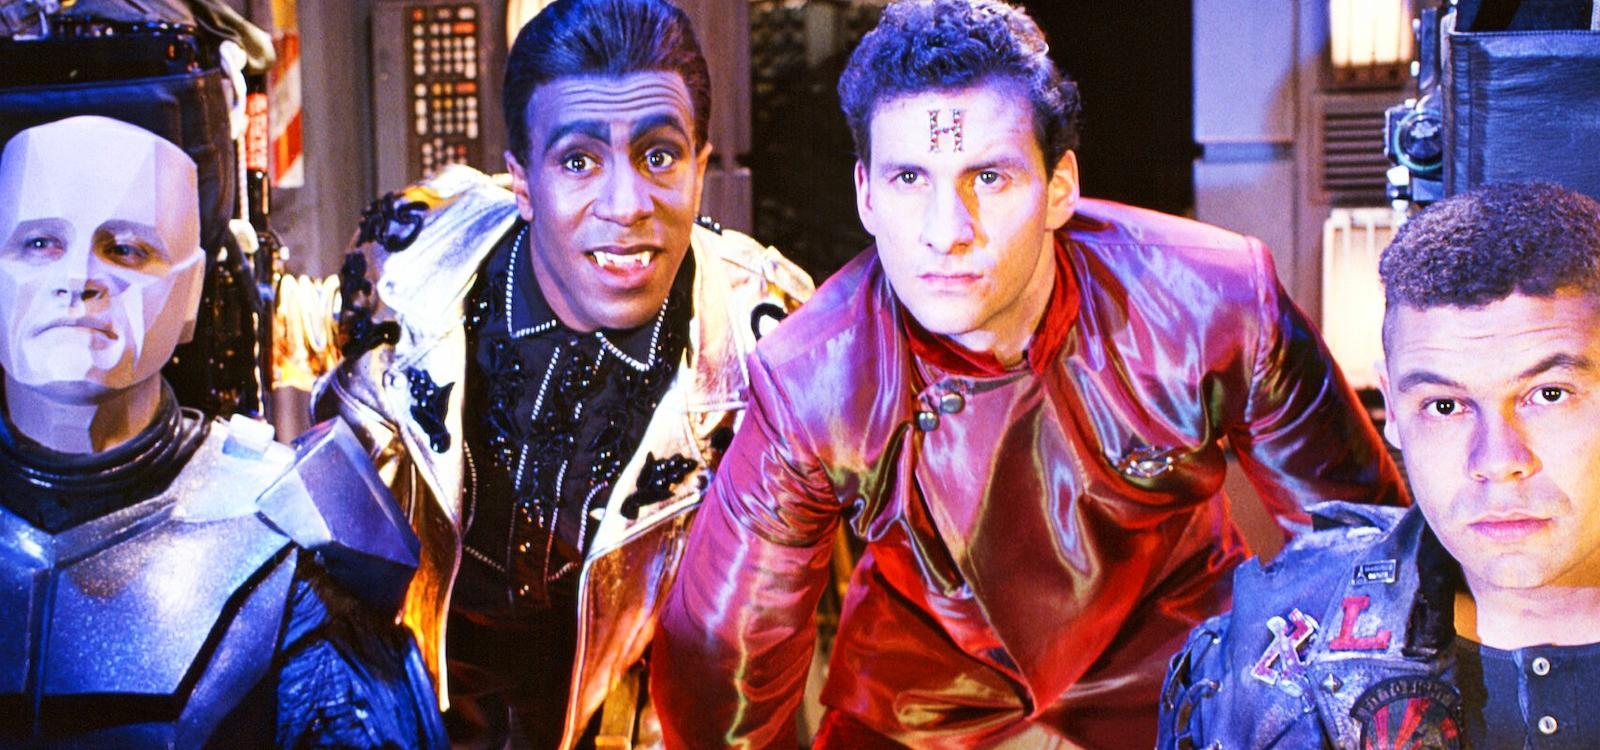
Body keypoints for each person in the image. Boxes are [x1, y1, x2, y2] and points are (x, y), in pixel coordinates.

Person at [650, 0, 1405, 746]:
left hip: (1177, 680)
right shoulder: (812, 377)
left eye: (989, 177)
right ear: (866, 195)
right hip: (924, 706)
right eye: (910, 177)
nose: (947, 232)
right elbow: (720, 667)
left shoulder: (1212, 299)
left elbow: (1369, 558)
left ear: (1060, 186)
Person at [314, 0, 813, 747]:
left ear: (701, 167)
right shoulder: (407, 266)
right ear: (521, 181)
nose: (627, 206)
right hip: (417, 708)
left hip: (636, 723)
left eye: (659, 156)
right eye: (579, 161)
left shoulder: (767, 339)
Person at [0, 115, 444, 747]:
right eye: (39, 243)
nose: (78, 279)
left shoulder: (288, 534)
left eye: (126, 249)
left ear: (191, 291)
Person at [1158, 182, 1600, 750]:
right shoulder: (1273, 661)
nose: (1497, 461)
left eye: (1549, 395)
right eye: (1445, 406)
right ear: (1392, 408)